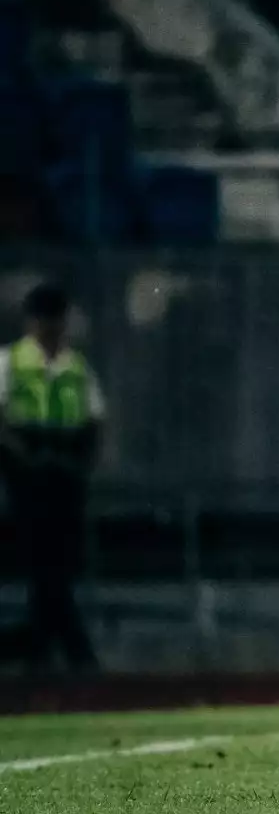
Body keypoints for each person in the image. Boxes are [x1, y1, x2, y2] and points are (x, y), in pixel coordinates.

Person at [0, 283, 105, 673]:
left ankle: (38, 653)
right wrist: (25, 457)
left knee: (54, 571)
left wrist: (79, 463)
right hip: (27, 480)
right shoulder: (11, 362)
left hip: (65, 479)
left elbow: (95, 420)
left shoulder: (76, 367)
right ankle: (76, 655)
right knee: (46, 571)